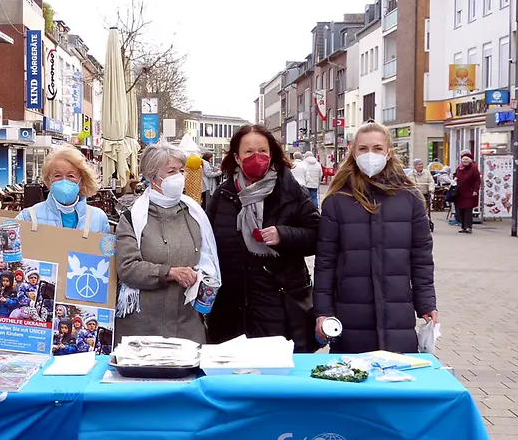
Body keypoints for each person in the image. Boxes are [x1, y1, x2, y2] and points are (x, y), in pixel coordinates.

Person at [313, 122, 438, 354]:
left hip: (397, 315)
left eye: (377, 148)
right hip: (351, 314)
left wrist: (427, 304)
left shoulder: (410, 199)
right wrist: (323, 311)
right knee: (351, 383)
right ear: (353, 152)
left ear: (389, 152)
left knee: (397, 383)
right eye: (363, 149)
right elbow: (325, 263)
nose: (370, 154)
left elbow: (421, 259)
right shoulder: (337, 201)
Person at [206, 125, 322, 351]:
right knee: (235, 380)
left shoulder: (290, 191)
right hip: (232, 310)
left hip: (280, 305)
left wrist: (284, 235)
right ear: (237, 158)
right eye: (249, 152)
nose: (256, 157)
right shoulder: (223, 195)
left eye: (262, 151)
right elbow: (209, 245)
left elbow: (317, 235)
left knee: (277, 381)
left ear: (272, 155)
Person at [115, 143, 220, 343]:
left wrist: (203, 277)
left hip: (187, 326)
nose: (178, 177)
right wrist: (170, 272)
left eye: (181, 171)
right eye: (171, 172)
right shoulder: (133, 217)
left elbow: (208, 258)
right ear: (153, 176)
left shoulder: (194, 213)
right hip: (143, 328)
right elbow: (127, 268)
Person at [0, 145, 110, 260]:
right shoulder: (29, 216)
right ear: (48, 180)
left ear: (81, 180)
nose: (64, 181)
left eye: (71, 176)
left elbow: (109, 263)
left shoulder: (98, 218)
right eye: (57, 175)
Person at [453, 150, 481, 234]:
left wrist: (476, 190)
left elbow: (477, 180)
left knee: (468, 210)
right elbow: (456, 175)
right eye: (463, 159)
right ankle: (463, 226)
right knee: (461, 210)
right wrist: (454, 180)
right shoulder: (459, 168)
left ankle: (468, 227)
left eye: (466, 159)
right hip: (460, 192)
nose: (465, 161)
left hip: (470, 192)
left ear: (470, 160)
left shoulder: (474, 168)